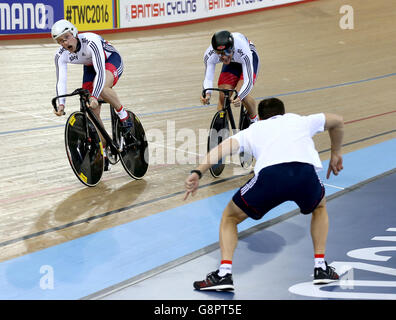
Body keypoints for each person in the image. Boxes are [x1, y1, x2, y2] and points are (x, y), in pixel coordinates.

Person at [184, 97, 344, 291]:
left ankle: (224, 274)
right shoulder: (300, 120)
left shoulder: (253, 130)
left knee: (230, 217)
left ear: (259, 118)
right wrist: (336, 153)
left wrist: (197, 172)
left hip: (271, 177)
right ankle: (320, 268)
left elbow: (219, 150)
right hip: (304, 173)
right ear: (283, 113)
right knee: (319, 206)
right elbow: (337, 121)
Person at [51, 19, 133, 171]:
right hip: (90, 68)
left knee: (101, 88)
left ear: (74, 33)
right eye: (60, 41)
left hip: (110, 60)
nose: (64, 43)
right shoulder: (60, 55)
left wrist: (95, 96)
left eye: (67, 37)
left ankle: (123, 115)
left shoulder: (91, 41)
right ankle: (105, 151)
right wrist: (61, 104)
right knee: (92, 115)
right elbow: (61, 80)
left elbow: (101, 72)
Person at [201, 30, 260, 123]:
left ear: (232, 48)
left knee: (241, 93)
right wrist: (207, 94)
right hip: (233, 61)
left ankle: (254, 120)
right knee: (223, 97)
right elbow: (208, 78)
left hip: (247, 58)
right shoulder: (210, 54)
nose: (223, 57)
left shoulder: (243, 50)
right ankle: (224, 129)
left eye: (227, 52)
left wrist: (240, 96)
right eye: (219, 53)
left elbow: (248, 80)